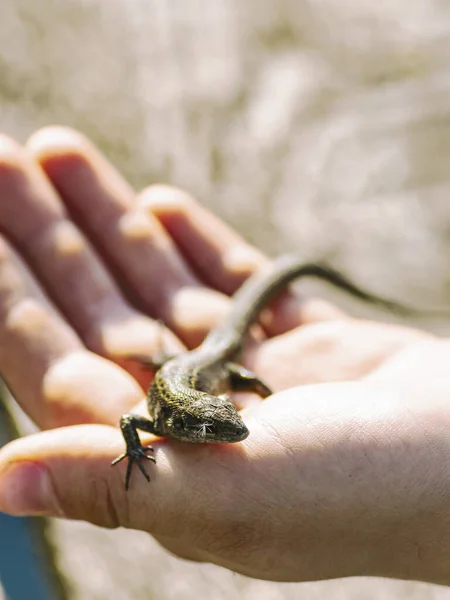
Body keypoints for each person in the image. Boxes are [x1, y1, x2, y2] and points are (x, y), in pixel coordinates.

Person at [0, 126, 448, 584]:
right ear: (193, 426)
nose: (235, 431)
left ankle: (293, 282)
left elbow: (144, 416)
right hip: (194, 364)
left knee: (228, 368)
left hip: (211, 360)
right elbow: (129, 423)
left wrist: (262, 393)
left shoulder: (201, 407)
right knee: (200, 365)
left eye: (226, 419)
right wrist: (134, 453)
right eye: (217, 427)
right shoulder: (170, 421)